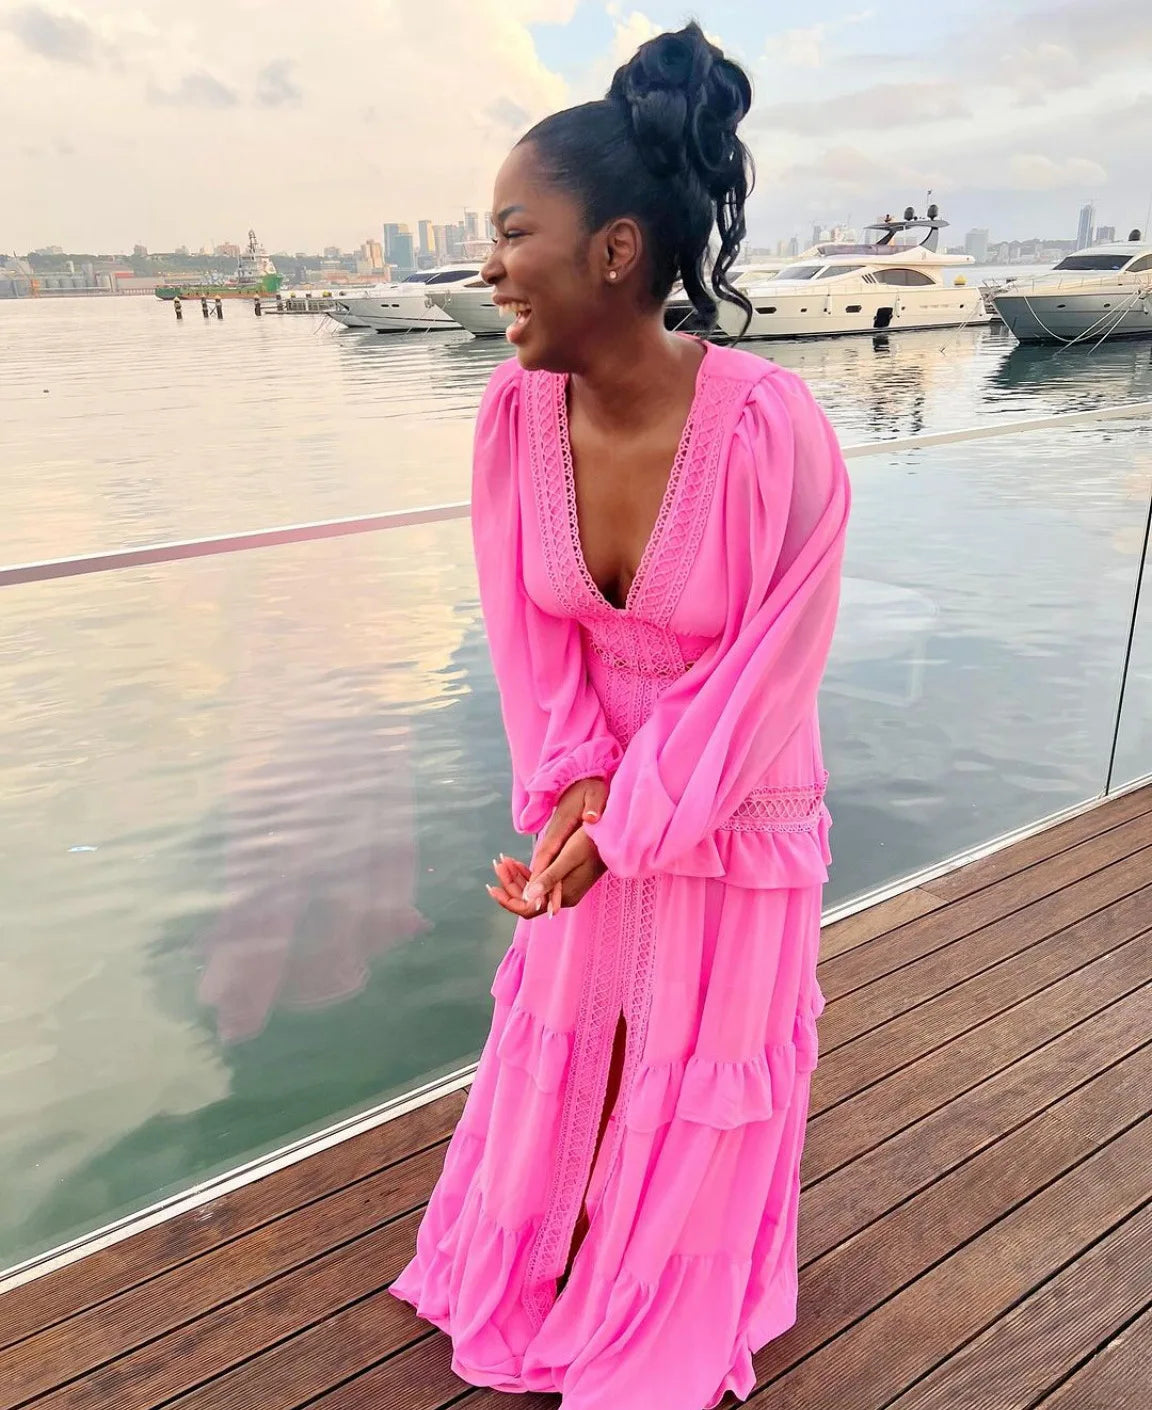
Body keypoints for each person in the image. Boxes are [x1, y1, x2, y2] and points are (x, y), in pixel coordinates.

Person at [391, 22, 850, 1410]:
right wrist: (580, 781)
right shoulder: (512, 416)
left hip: (738, 794)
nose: (488, 265)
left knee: (697, 1064)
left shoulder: (768, 425)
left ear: (615, 251)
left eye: (510, 231)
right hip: (605, 785)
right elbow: (529, 635)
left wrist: (637, 816)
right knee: (575, 1033)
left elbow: (774, 667)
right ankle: (558, 1270)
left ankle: (656, 1302)